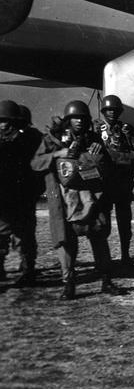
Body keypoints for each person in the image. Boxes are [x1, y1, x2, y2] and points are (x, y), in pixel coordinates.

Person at [31, 100, 126, 299]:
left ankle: (106, 281)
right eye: (75, 118)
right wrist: (59, 153)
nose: (79, 122)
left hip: (91, 197)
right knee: (65, 242)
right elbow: (36, 163)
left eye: (82, 118)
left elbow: (108, 167)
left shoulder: (94, 139)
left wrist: (97, 155)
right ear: (68, 120)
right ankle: (69, 284)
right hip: (63, 200)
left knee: (99, 237)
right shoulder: (52, 139)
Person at [95, 94, 134, 266]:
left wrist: (118, 156)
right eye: (108, 110)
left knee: (124, 223)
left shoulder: (127, 130)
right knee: (103, 224)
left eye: (115, 110)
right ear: (103, 111)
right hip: (105, 184)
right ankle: (104, 260)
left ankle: (125, 256)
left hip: (123, 183)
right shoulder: (97, 131)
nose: (112, 113)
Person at [0, 101, 38, 286]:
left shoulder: (27, 142)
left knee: (25, 237)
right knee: (1, 236)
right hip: (3, 200)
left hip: (23, 198)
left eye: (6, 121)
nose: (2, 124)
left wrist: (33, 193)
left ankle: (28, 271)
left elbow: (35, 172)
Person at [12, 103, 42, 286]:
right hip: (20, 193)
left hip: (24, 193)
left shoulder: (29, 138)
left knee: (25, 234)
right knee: (24, 233)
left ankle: (27, 268)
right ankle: (26, 267)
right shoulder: (34, 137)